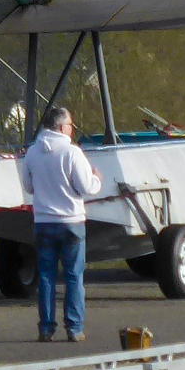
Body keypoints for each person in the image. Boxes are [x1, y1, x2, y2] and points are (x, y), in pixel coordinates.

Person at [23, 105, 106, 342]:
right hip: (71, 221)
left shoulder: (32, 152)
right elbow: (85, 187)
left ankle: (46, 328)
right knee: (73, 276)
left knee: (47, 276)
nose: (72, 129)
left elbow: (28, 187)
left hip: (43, 221)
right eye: (70, 124)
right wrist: (96, 179)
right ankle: (74, 327)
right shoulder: (72, 153)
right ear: (62, 127)